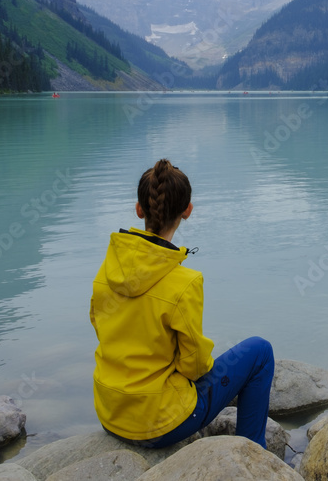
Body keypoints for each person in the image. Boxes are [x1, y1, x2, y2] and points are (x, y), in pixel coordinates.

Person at [90, 159, 274, 448]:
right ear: (187, 211)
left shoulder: (107, 270)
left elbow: (102, 328)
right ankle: (251, 451)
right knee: (260, 351)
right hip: (160, 424)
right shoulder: (184, 282)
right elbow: (195, 367)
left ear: (139, 210)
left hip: (110, 414)